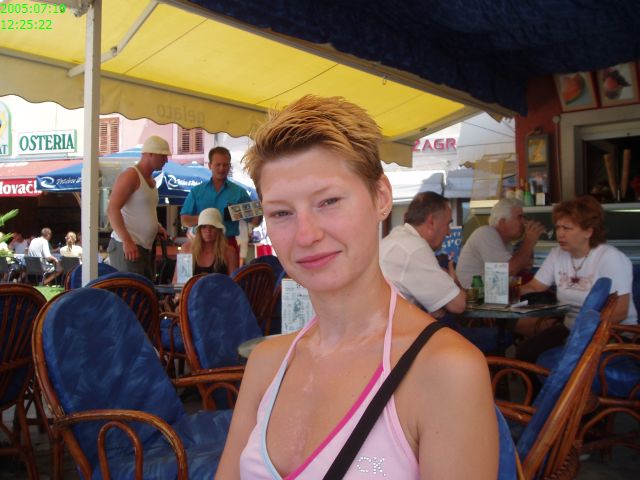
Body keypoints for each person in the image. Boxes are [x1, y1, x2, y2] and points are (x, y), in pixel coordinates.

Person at [216, 95, 498, 479]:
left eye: (329, 201)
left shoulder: (446, 370)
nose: (306, 235)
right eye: (281, 212)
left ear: (381, 198)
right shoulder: (266, 364)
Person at [517, 196, 637, 361]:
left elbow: (620, 311)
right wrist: (504, 293)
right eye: (558, 227)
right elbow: (535, 287)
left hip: (612, 333)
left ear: (588, 232)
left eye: (567, 228)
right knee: (526, 352)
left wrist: (581, 334)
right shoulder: (557, 254)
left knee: (554, 360)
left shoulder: (610, 258)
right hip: (571, 329)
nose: (560, 233)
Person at [380, 191, 466, 318]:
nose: (449, 232)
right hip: (390, 328)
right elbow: (458, 305)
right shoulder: (414, 248)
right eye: (448, 224)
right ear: (431, 222)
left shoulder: (398, 238)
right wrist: (453, 281)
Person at [107, 136, 169, 279]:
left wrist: (157, 226)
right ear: (150, 154)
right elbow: (112, 209)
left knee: (143, 289)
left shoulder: (151, 180)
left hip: (143, 248)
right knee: (132, 290)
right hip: (128, 247)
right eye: (163, 155)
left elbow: (141, 210)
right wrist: (127, 241)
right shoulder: (130, 175)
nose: (166, 160)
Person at [180, 146, 252, 258]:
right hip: (199, 244)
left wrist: (241, 212)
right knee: (192, 269)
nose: (221, 168)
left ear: (229, 166)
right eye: (218, 165)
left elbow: (256, 219)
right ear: (210, 165)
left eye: (225, 165)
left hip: (228, 244)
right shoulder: (196, 191)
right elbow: (184, 220)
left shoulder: (240, 192)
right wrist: (207, 218)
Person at [456, 197, 545, 288]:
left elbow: (519, 269)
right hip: (472, 295)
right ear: (502, 222)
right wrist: (529, 242)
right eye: (520, 217)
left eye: (524, 217)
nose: (524, 222)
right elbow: (509, 270)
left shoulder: (507, 243)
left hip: (488, 293)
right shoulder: (486, 233)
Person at [172, 208, 238, 284]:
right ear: (199, 230)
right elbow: (179, 282)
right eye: (204, 227)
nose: (208, 231)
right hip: (192, 292)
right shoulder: (187, 249)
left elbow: (234, 284)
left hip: (220, 292)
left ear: (219, 230)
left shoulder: (229, 252)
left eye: (212, 227)